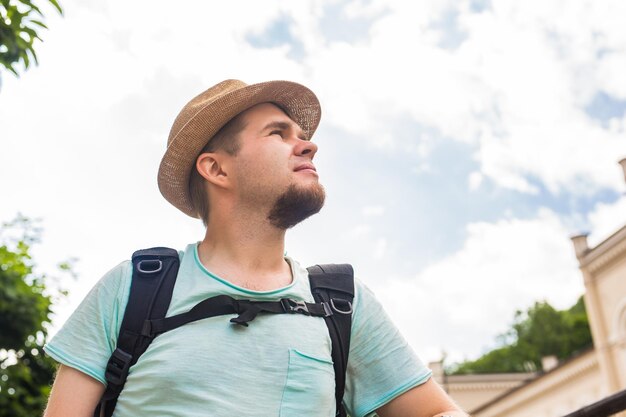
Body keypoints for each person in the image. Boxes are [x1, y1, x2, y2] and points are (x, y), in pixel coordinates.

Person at [43, 80, 468, 417]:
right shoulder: (132, 287)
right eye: (278, 134)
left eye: (301, 135)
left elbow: (434, 412)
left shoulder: (344, 305)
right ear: (216, 168)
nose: (308, 145)